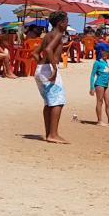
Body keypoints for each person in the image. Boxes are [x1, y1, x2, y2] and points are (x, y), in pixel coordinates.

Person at [35, 12, 70, 144]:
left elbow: (35, 53)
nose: (67, 24)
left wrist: (41, 65)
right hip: (49, 69)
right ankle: (53, 134)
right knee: (58, 101)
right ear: (60, 23)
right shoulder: (58, 34)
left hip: (40, 69)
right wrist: (54, 68)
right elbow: (49, 49)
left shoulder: (47, 35)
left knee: (49, 102)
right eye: (66, 21)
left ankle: (48, 133)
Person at [88, 42, 109, 126]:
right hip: (99, 84)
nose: (108, 53)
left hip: (106, 85)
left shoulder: (105, 61)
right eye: (106, 51)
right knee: (100, 102)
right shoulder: (97, 62)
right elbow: (92, 76)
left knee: (108, 102)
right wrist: (92, 87)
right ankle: (99, 121)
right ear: (101, 51)